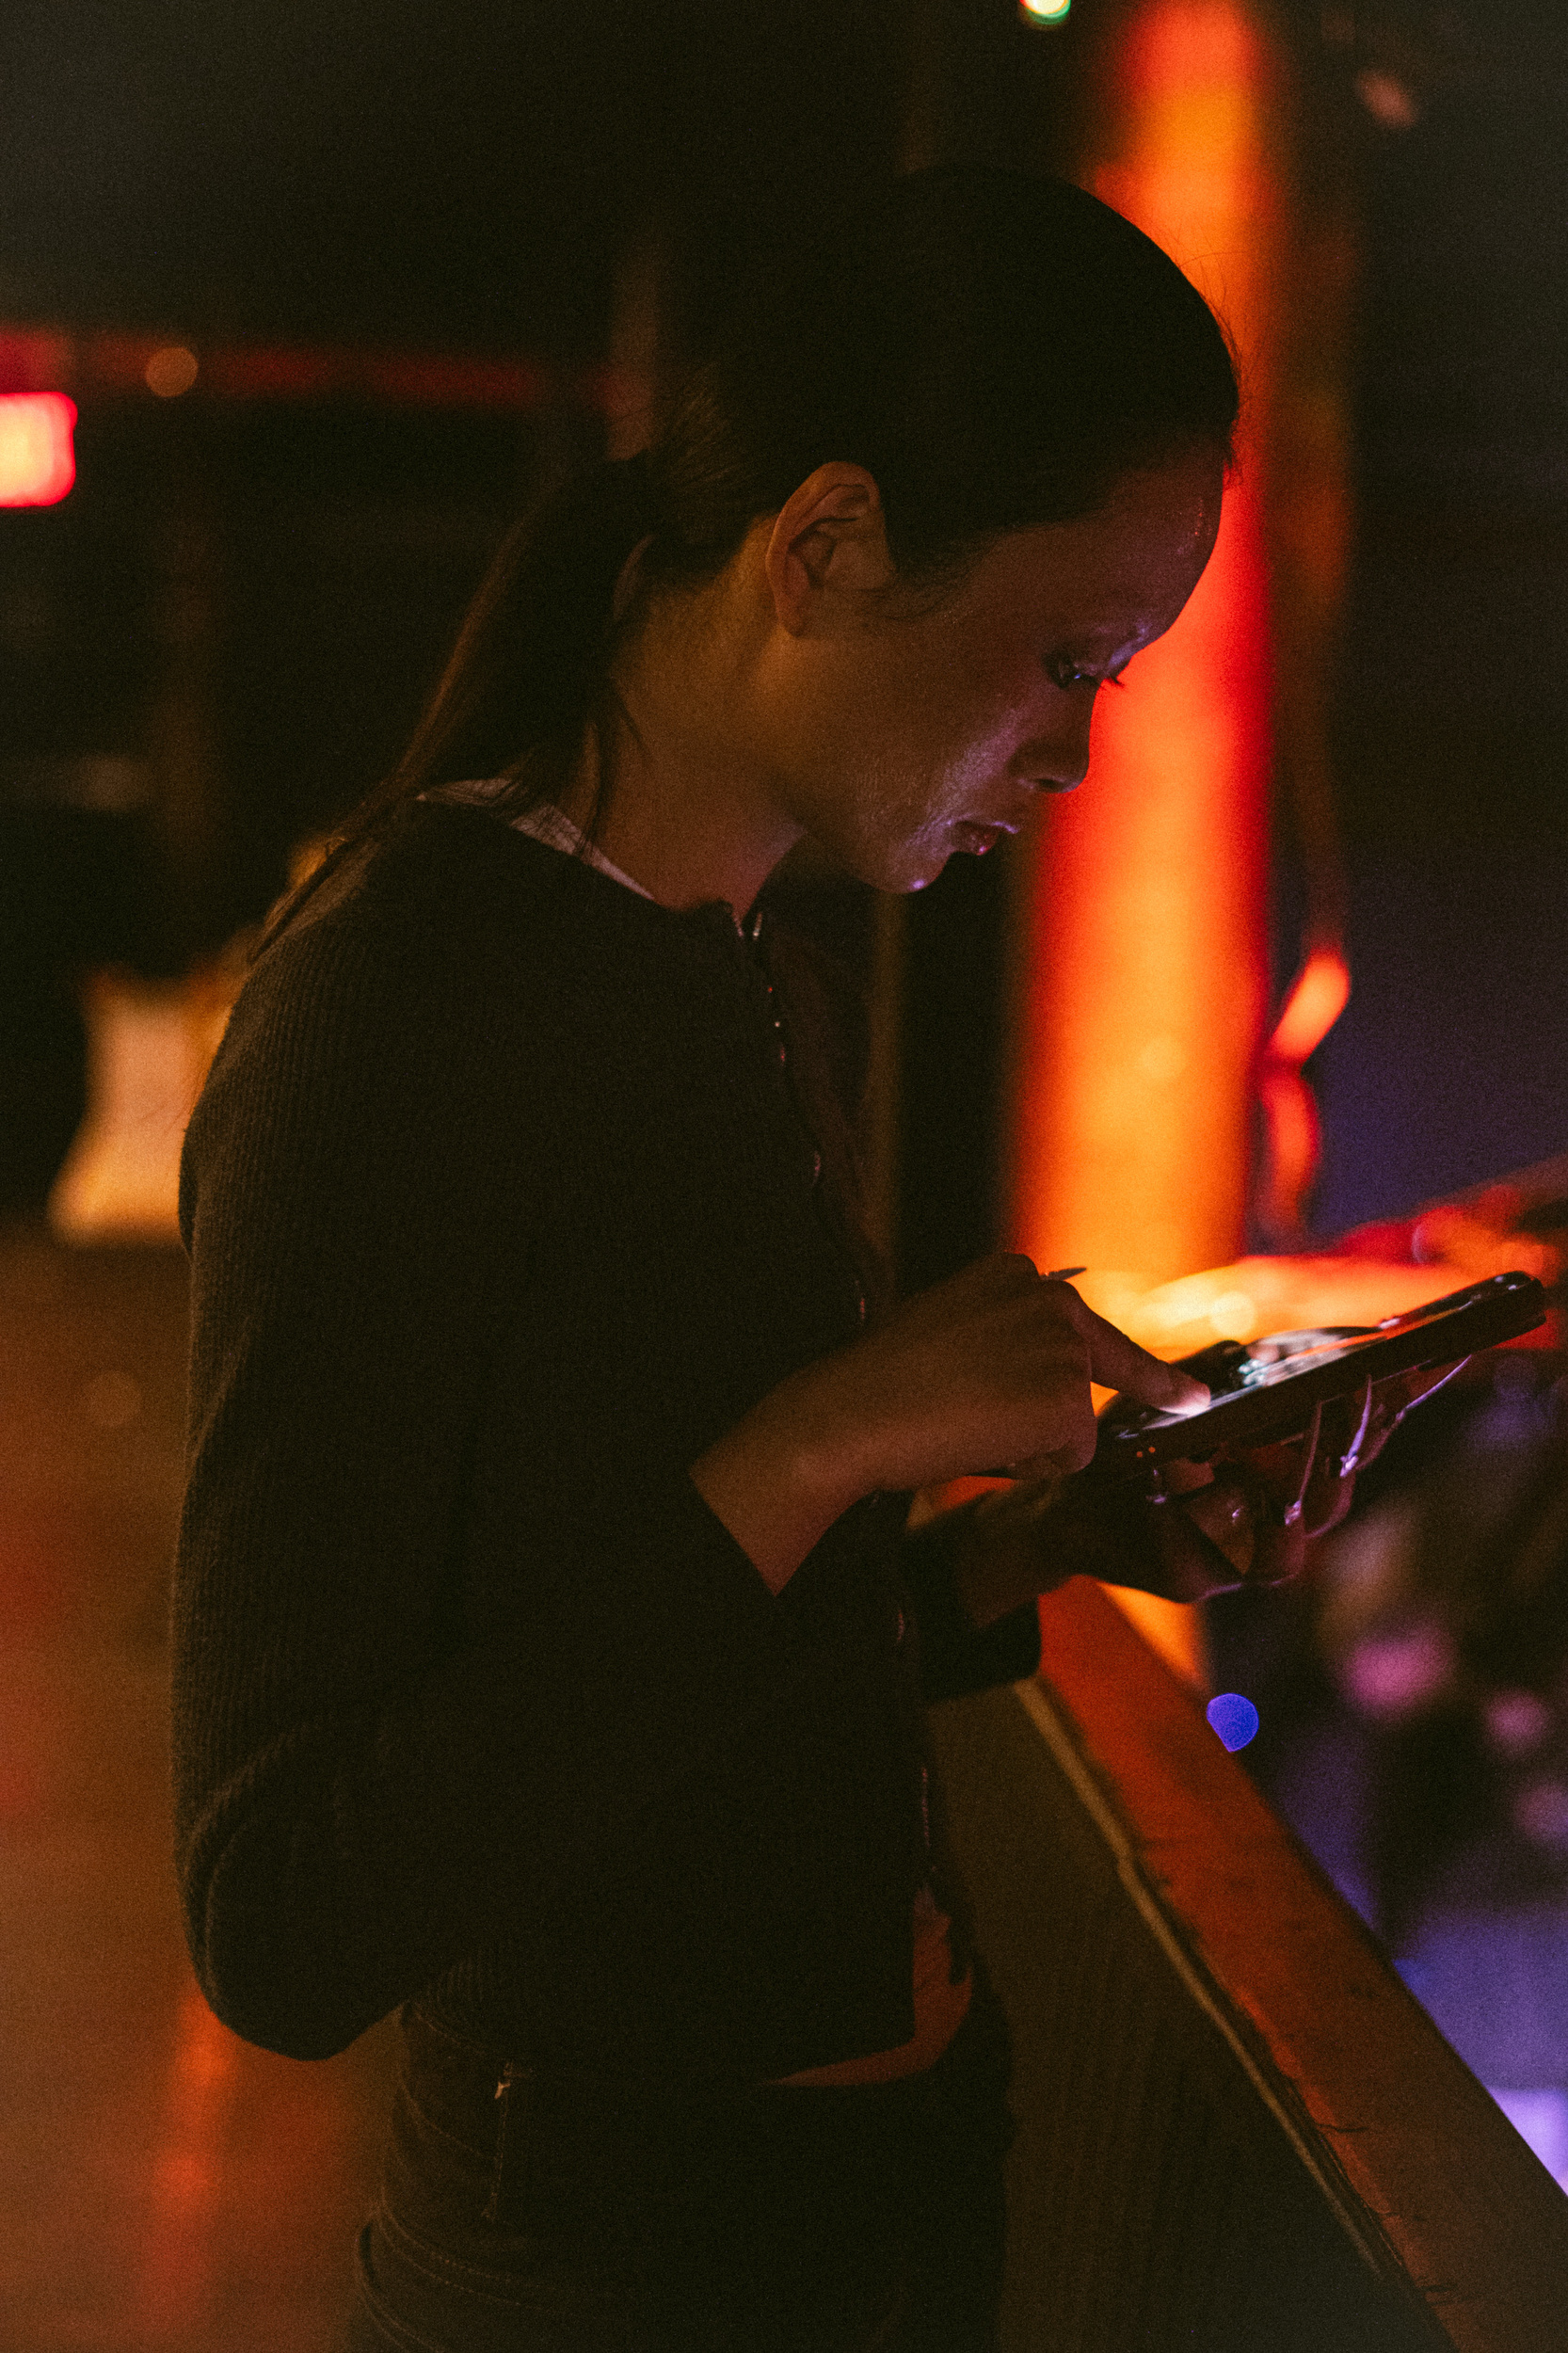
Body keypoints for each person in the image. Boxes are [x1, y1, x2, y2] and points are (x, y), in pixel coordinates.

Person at [170, 169, 1400, 2352]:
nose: (1077, 749)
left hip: (876, 2190)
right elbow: (281, 1911)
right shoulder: (400, 1005)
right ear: (824, 543)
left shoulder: (753, 982)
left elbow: (669, 1671)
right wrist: (817, 1436)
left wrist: (1023, 1544)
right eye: (1063, 656)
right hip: (602, 2260)